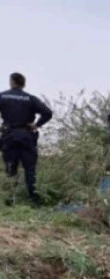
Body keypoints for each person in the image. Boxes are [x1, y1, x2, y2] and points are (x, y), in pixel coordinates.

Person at [0, 72, 52, 206]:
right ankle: (34, 201)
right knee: (30, 169)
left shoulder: (3, 96)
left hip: (9, 136)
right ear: (23, 83)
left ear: (12, 82)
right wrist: (36, 125)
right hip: (26, 136)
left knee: (11, 168)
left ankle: (10, 200)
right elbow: (48, 112)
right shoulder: (30, 98)